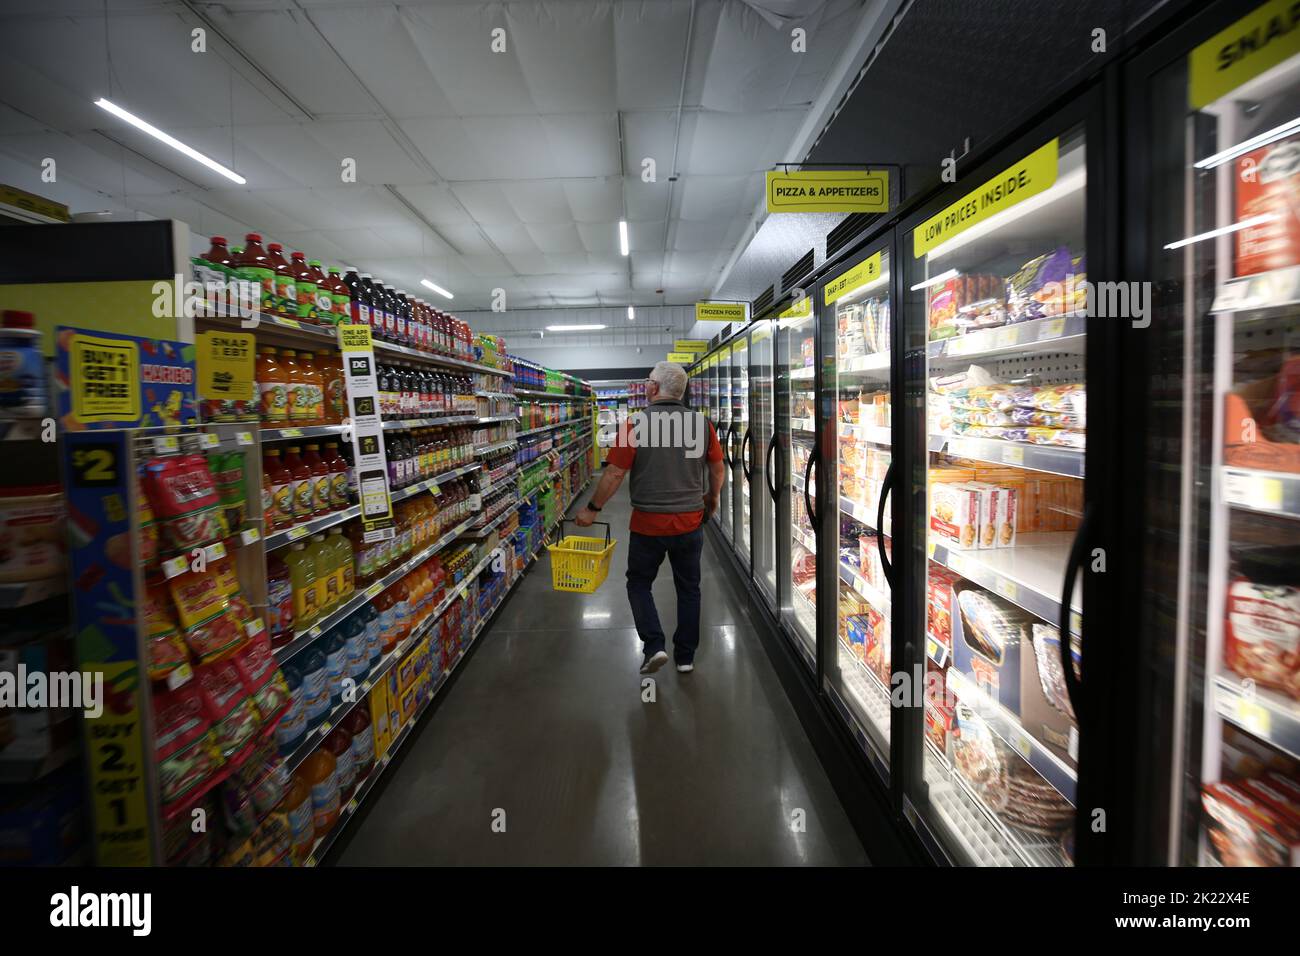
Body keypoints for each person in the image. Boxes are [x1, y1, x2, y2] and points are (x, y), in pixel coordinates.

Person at [575, 362, 724, 675]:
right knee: (690, 588)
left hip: (648, 524)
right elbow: (717, 468)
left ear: (655, 388)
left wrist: (593, 508)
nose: (645, 386)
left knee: (639, 583)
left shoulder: (635, 425)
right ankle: (685, 656)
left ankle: (654, 645)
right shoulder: (701, 424)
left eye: (648, 382)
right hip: (689, 521)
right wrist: (711, 498)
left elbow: (615, 472)